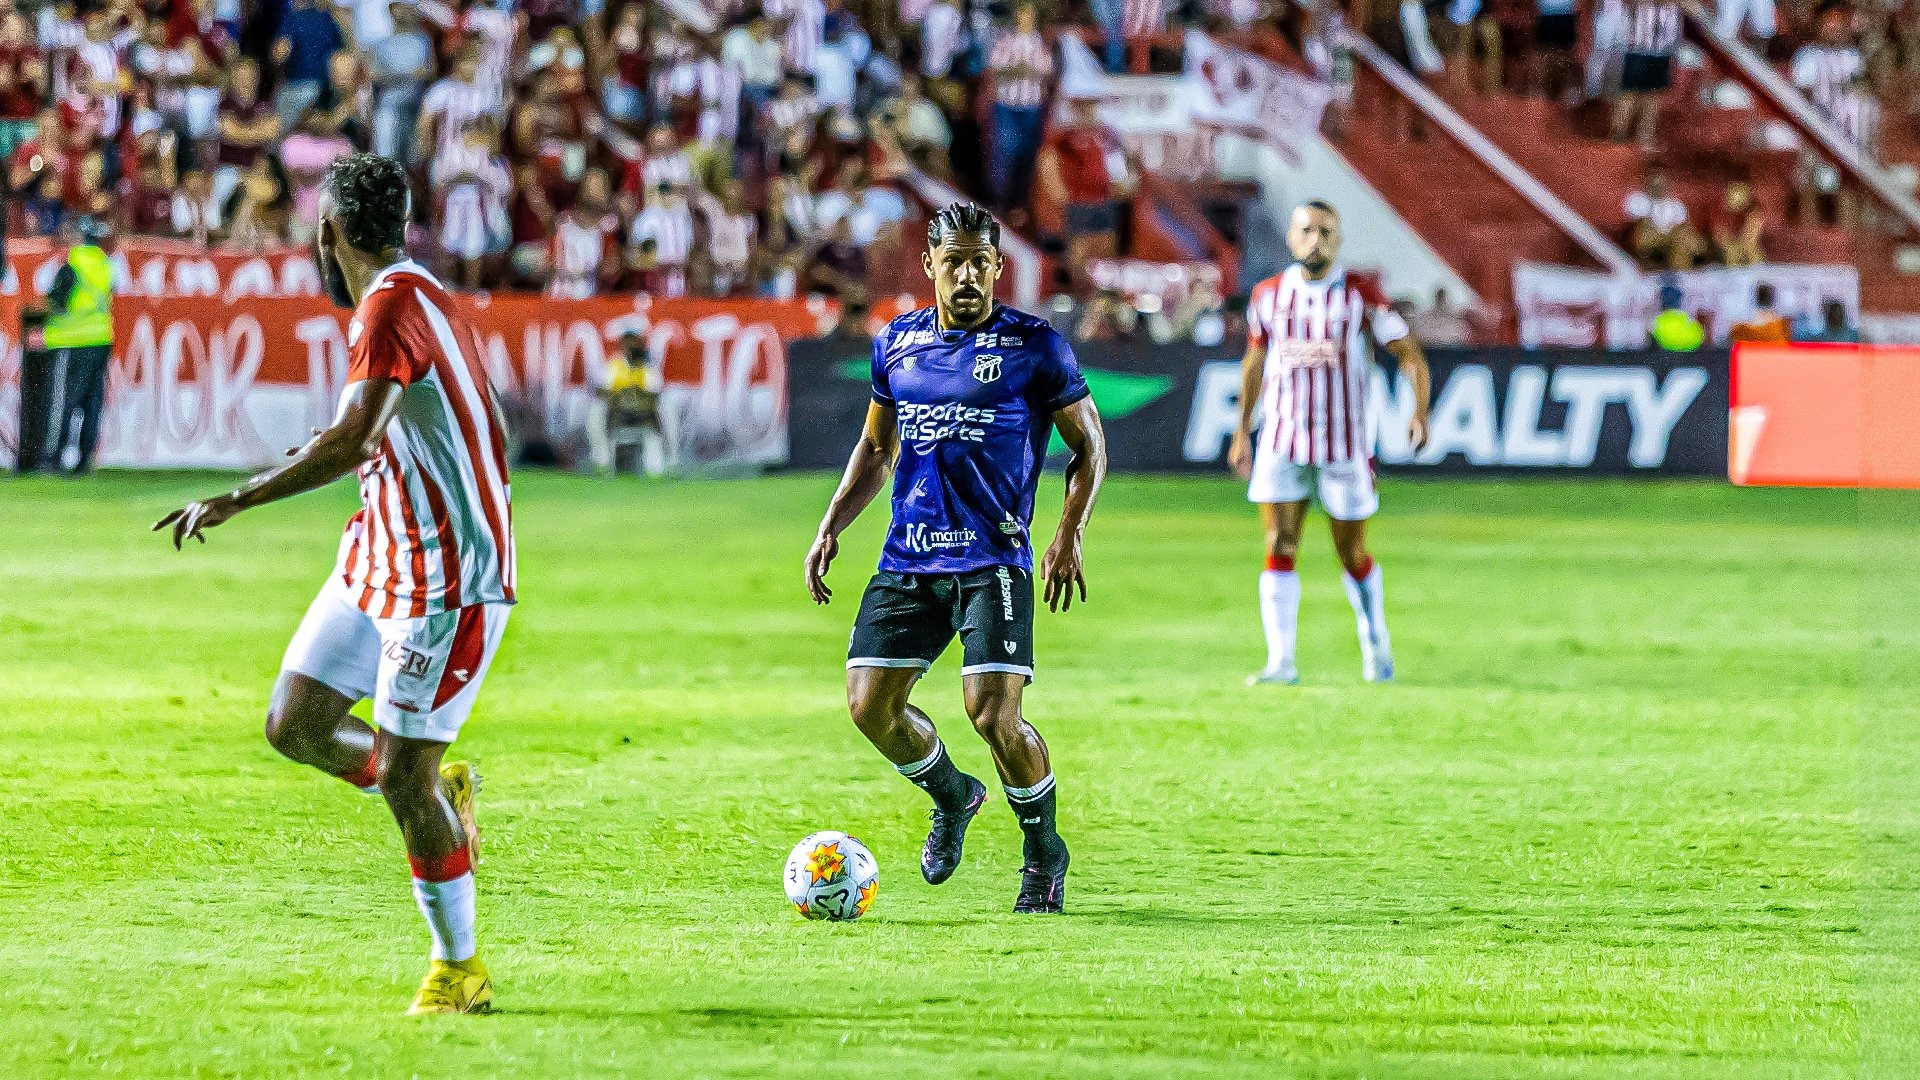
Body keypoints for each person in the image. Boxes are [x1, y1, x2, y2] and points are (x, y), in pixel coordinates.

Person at [152, 153, 514, 1016]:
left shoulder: (391, 301)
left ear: (329, 231)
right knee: (295, 722)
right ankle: (435, 784)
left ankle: (459, 968)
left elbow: (355, 437)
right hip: (375, 556)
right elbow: (443, 423)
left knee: (400, 782)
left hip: (444, 582)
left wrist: (237, 497)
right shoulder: (417, 294)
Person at [803, 202, 1107, 914]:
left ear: (999, 268)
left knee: (993, 716)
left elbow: (1089, 446)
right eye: (955, 261)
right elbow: (878, 449)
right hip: (908, 557)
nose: (968, 275)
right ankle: (954, 794)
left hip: (993, 559)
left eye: (981, 262)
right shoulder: (897, 344)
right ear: (930, 264)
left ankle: (1042, 852)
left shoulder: (1036, 347)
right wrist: (832, 524)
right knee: (868, 707)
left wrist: (1068, 532)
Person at [1228, 200, 1432, 686]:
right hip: (1281, 438)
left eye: (1325, 230)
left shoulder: (1360, 295)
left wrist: (1418, 411)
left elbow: (1410, 354)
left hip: (1346, 445)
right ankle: (1281, 662)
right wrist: (1242, 429)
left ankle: (1375, 642)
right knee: (1278, 543)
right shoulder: (1269, 296)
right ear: (1290, 238)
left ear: (1338, 241)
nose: (1315, 238)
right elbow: (1254, 363)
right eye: (1306, 230)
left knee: (1351, 553)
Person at [41, 216, 117, 474]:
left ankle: (54, 458)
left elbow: (57, 301)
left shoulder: (72, 264)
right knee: (92, 402)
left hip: (71, 340)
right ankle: (86, 460)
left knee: (64, 401)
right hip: (101, 338)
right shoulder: (105, 264)